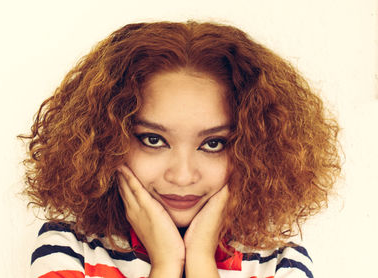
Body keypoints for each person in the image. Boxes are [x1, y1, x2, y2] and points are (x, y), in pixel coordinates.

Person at [20, 21, 341, 278]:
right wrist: (166, 264)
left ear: (254, 148)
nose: (183, 175)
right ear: (107, 138)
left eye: (213, 144)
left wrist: (200, 259)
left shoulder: (281, 264)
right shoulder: (69, 249)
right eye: (153, 140)